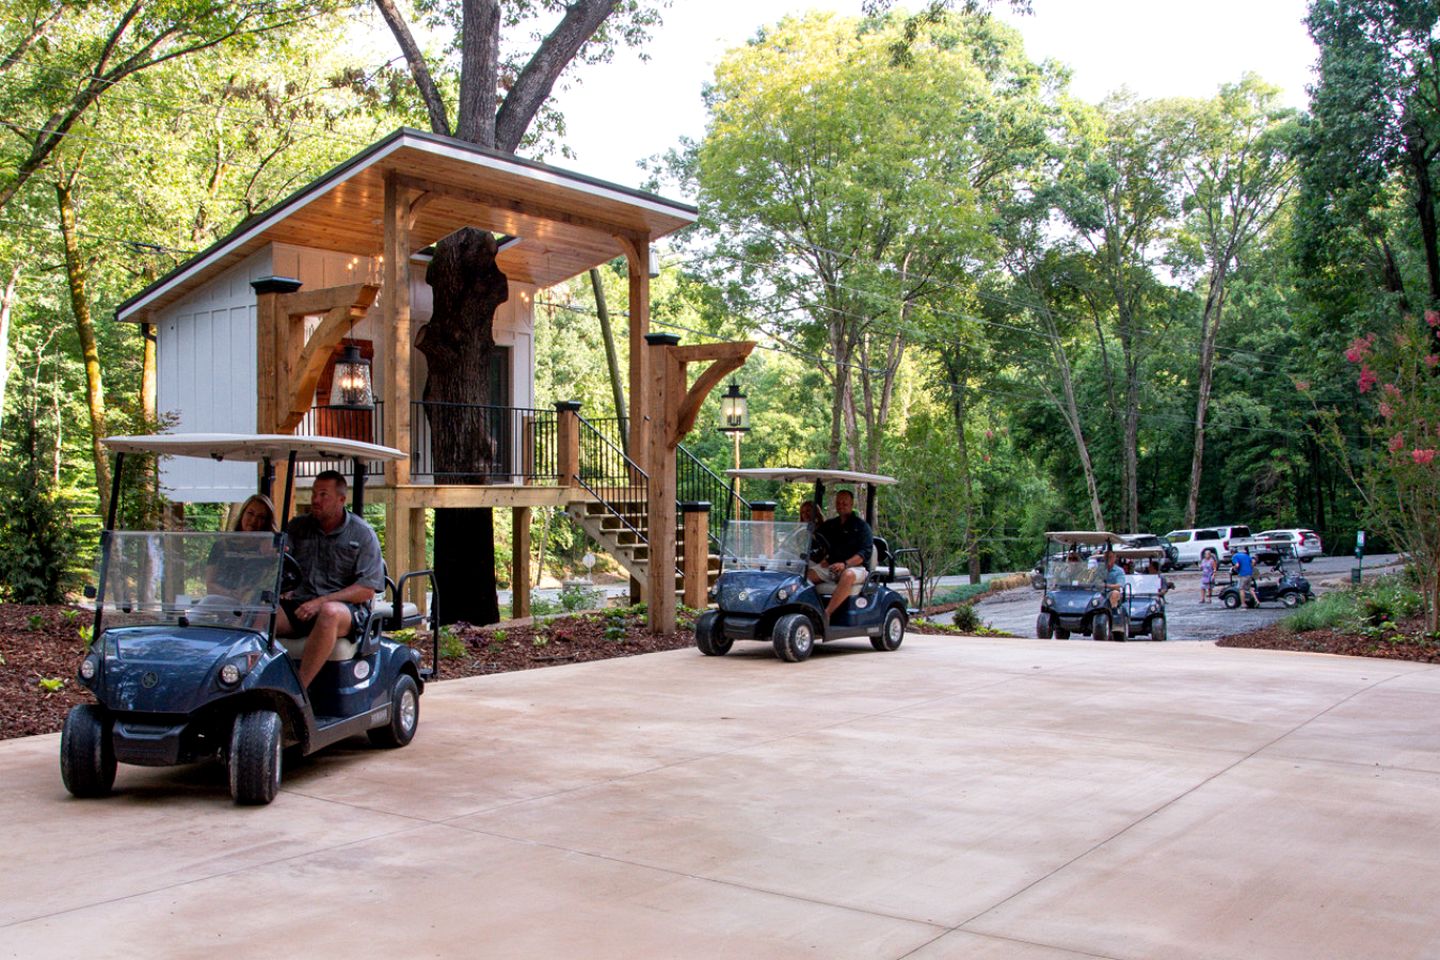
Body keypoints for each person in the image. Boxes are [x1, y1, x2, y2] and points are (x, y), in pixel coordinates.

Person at [276, 470, 384, 689]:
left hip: (346, 611)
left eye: (323, 495)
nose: (315, 500)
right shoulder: (297, 527)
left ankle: (298, 692)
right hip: (300, 606)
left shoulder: (362, 534)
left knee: (329, 612)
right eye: (314, 493)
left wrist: (320, 602)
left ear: (341, 500)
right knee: (260, 612)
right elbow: (281, 567)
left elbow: (366, 589)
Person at [807, 489, 873, 621]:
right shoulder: (831, 525)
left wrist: (845, 564)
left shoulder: (861, 527)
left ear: (852, 504)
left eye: (844, 503)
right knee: (805, 577)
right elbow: (816, 538)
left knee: (847, 575)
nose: (841, 505)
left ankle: (826, 614)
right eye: (838, 502)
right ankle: (807, 610)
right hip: (832, 566)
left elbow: (864, 553)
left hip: (855, 567)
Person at [205, 494, 277, 598]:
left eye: (261, 517)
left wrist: (272, 553)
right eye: (250, 513)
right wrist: (232, 594)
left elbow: (272, 585)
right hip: (223, 601)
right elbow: (210, 585)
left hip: (256, 606)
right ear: (242, 514)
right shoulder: (221, 546)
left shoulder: (270, 550)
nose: (254, 520)